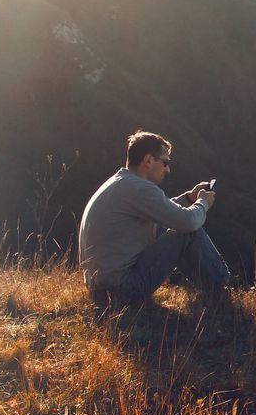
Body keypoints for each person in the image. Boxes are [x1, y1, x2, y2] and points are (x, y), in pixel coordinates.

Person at [79, 130, 231, 307]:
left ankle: (211, 288)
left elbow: (161, 212)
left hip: (100, 289)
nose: (168, 169)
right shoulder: (139, 188)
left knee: (169, 226)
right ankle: (220, 287)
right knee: (186, 233)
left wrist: (189, 198)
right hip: (121, 290)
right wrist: (203, 203)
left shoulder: (122, 183)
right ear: (149, 160)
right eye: (165, 162)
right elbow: (188, 222)